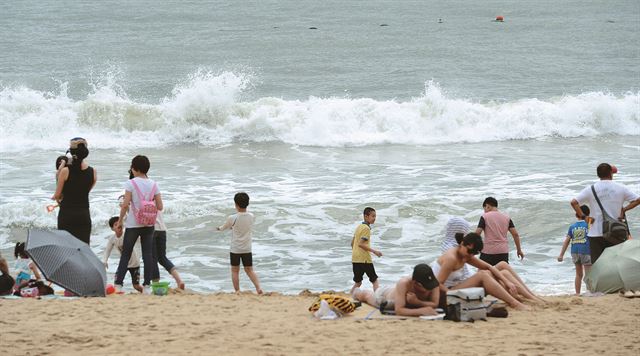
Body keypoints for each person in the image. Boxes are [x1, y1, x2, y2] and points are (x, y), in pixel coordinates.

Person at [432, 232, 544, 311]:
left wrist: (507, 282)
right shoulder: (451, 258)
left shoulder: (465, 254)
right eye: (469, 252)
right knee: (482, 275)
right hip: (445, 294)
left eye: (473, 253)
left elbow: (489, 267)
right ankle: (515, 303)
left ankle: (531, 297)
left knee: (502, 266)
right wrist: (457, 296)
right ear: (462, 244)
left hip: (456, 288)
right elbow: (437, 283)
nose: (470, 256)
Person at [571, 163, 640, 263]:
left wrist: (584, 217)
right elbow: (637, 200)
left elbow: (574, 202)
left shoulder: (591, 189)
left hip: (595, 233)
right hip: (616, 232)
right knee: (615, 264)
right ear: (611, 173)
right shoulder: (621, 188)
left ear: (598, 175)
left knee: (598, 265)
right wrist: (624, 209)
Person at [114, 155, 162, 294]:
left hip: (133, 224)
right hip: (149, 224)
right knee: (147, 254)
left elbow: (125, 205)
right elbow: (160, 206)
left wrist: (120, 221)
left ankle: (118, 285)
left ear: (135, 168)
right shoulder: (154, 184)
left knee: (126, 254)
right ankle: (147, 286)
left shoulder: (131, 183)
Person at [51, 137, 97, 244]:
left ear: (71, 152)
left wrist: (58, 174)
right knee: (83, 250)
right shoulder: (93, 171)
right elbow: (85, 192)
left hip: (67, 214)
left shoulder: (65, 171)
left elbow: (57, 195)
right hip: (83, 215)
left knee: (65, 248)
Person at [216, 192, 263, 294]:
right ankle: (258, 288)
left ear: (236, 204)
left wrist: (218, 229)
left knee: (235, 271)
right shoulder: (251, 216)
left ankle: (237, 291)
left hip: (235, 249)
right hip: (247, 248)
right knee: (249, 270)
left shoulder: (232, 218)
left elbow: (224, 227)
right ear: (247, 203)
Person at [351, 264, 440, 317]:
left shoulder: (432, 282)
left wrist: (417, 302)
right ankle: (356, 292)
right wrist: (420, 311)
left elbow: (434, 303)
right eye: (424, 286)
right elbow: (399, 310)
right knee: (367, 295)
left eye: (429, 285)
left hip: (398, 293)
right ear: (414, 282)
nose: (428, 289)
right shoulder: (404, 283)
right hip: (387, 297)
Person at [475, 197, 524, 265]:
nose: (484, 211)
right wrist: (519, 250)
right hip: (503, 252)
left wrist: (474, 248)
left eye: (484, 209)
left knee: (484, 273)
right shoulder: (507, 217)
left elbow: (477, 233)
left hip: (488, 251)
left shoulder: (485, 216)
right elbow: (515, 234)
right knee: (501, 274)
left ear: (487, 206)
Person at [557, 205, 592, 295]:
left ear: (576, 215)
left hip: (574, 252)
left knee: (578, 274)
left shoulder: (572, 227)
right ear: (588, 214)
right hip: (585, 251)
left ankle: (577, 293)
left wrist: (561, 255)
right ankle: (589, 292)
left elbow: (567, 241)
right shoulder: (589, 225)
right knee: (588, 274)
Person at [104, 217, 143, 293]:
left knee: (136, 286)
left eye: (120, 223)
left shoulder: (128, 234)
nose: (119, 225)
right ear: (112, 228)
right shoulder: (112, 239)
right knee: (117, 283)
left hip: (135, 263)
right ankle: (118, 293)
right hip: (123, 264)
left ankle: (146, 292)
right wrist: (104, 261)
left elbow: (139, 239)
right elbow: (107, 251)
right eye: (116, 224)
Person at [350, 207, 382, 295]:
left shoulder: (358, 227)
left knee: (358, 282)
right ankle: (377, 297)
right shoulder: (366, 228)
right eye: (373, 216)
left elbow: (352, 243)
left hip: (355, 258)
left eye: (375, 216)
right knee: (374, 280)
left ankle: (349, 297)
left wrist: (356, 253)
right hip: (364, 259)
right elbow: (361, 244)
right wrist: (374, 251)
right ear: (366, 216)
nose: (374, 218)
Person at [152, 211, 185, 290]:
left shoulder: (143, 198)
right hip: (162, 229)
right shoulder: (156, 198)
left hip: (151, 229)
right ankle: (179, 281)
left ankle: (156, 285)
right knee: (162, 258)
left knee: (152, 259)